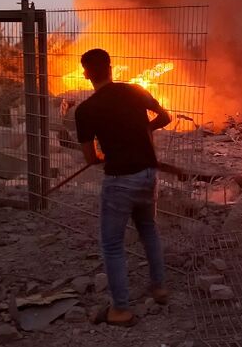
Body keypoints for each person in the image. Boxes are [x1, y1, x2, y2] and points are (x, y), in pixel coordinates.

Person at [74, 48, 172, 326]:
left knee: (112, 244)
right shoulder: (134, 90)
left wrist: (105, 153)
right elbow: (165, 117)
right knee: (148, 230)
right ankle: (160, 287)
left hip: (120, 181)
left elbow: (91, 158)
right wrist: (145, 131)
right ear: (111, 67)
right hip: (148, 173)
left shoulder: (86, 110)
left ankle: (121, 309)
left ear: (86, 74)